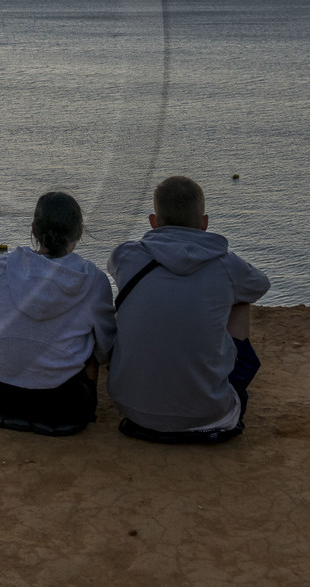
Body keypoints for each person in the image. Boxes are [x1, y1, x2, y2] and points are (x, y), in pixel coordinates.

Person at [108, 175, 270, 444]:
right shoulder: (227, 265)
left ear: (153, 221)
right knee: (240, 300)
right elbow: (260, 285)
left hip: (134, 410)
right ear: (204, 224)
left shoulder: (125, 256)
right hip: (209, 415)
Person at [0, 191, 116, 436]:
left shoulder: (2, 267)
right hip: (62, 404)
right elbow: (105, 347)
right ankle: (85, 410)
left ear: (33, 228)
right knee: (93, 344)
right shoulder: (93, 279)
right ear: (80, 231)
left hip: (1, 394)